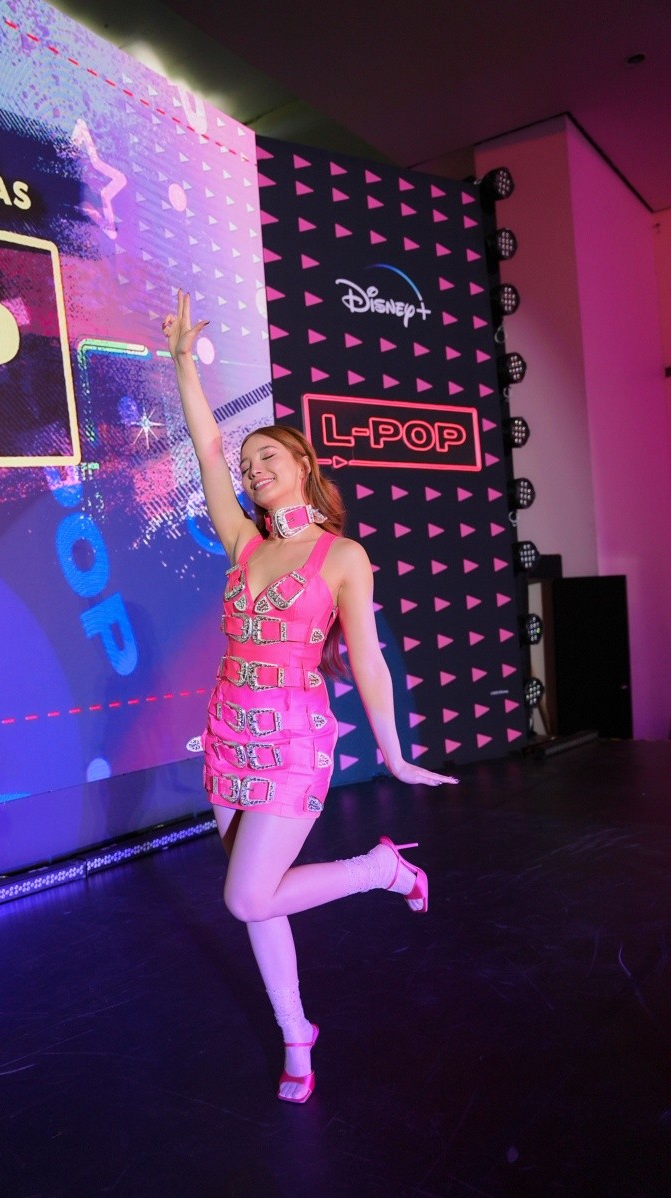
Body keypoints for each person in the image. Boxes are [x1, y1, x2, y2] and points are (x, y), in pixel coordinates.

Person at [163, 290, 458, 1104]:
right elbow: (206, 448)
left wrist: (395, 753)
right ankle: (297, 1033)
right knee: (260, 904)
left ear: (303, 467)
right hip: (229, 731)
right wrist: (183, 362)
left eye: (270, 457)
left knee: (246, 894)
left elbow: (369, 661)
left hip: (294, 738)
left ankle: (379, 869)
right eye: (248, 464)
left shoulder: (342, 556)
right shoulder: (242, 541)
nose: (253, 469)